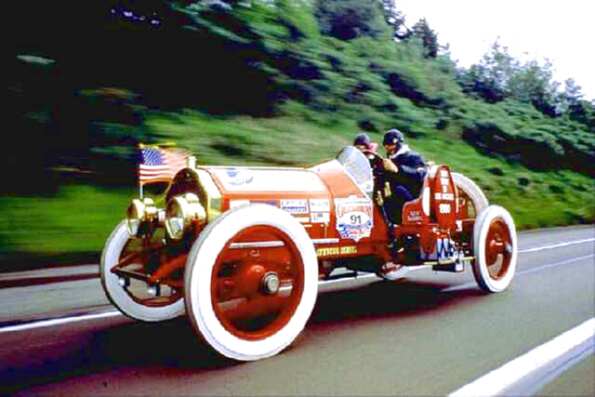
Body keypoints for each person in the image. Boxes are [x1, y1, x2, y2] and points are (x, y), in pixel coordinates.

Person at [380, 128, 427, 225]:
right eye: (387, 147)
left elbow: (420, 175)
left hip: (411, 197)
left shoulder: (413, 157)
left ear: (398, 144)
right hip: (392, 196)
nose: (389, 149)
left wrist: (398, 169)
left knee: (397, 190)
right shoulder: (389, 160)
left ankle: (392, 223)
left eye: (391, 146)